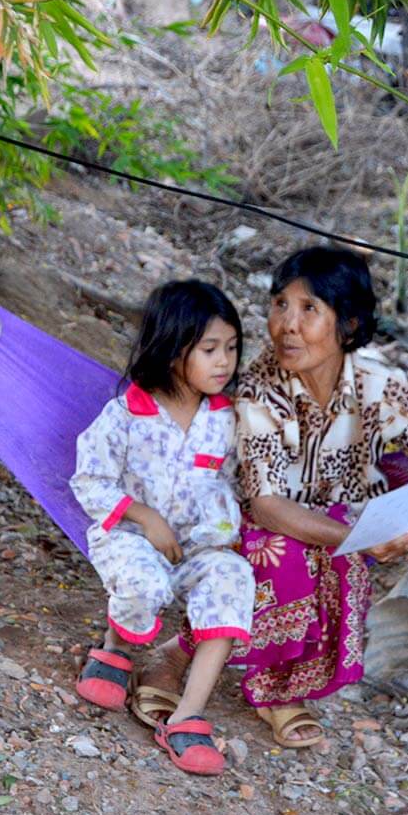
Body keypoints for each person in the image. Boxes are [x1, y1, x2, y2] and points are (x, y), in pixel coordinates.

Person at [135, 247, 408, 748]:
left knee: (325, 552)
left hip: (343, 520)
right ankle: (220, 670)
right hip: (244, 522)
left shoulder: (377, 383)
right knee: (285, 552)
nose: (287, 324)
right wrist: (357, 539)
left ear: (349, 323)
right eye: (279, 305)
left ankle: (267, 677)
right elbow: (265, 503)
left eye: (309, 309)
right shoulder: (259, 392)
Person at [70, 280, 255, 776]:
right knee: (142, 581)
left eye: (232, 349)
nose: (225, 362)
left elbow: (239, 480)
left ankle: (188, 714)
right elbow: (88, 478)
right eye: (210, 349)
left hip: (198, 547)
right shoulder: (127, 413)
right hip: (130, 537)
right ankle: (114, 652)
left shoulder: (227, 419)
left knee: (233, 577)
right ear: (173, 350)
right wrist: (143, 517)